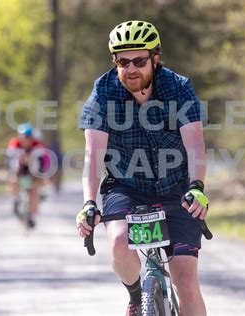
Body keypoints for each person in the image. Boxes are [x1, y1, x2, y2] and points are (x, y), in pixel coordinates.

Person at [76, 20, 209, 316]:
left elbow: (195, 145)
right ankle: (137, 296)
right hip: (126, 187)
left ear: (155, 58)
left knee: (185, 279)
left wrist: (197, 187)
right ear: (115, 62)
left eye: (139, 60)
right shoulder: (103, 92)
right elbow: (94, 154)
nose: (130, 69)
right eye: (123, 61)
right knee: (119, 245)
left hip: (176, 188)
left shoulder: (178, 88)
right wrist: (88, 202)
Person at [6, 123, 48, 228]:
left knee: (34, 191)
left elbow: (43, 163)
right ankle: (15, 200)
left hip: (33, 169)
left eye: (28, 138)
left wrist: (41, 177)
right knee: (13, 178)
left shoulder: (37, 145)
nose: (25, 140)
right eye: (23, 137)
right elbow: (10, 161)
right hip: (19, 168)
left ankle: (32, 216)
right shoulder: (14, 144)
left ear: (31, 138)